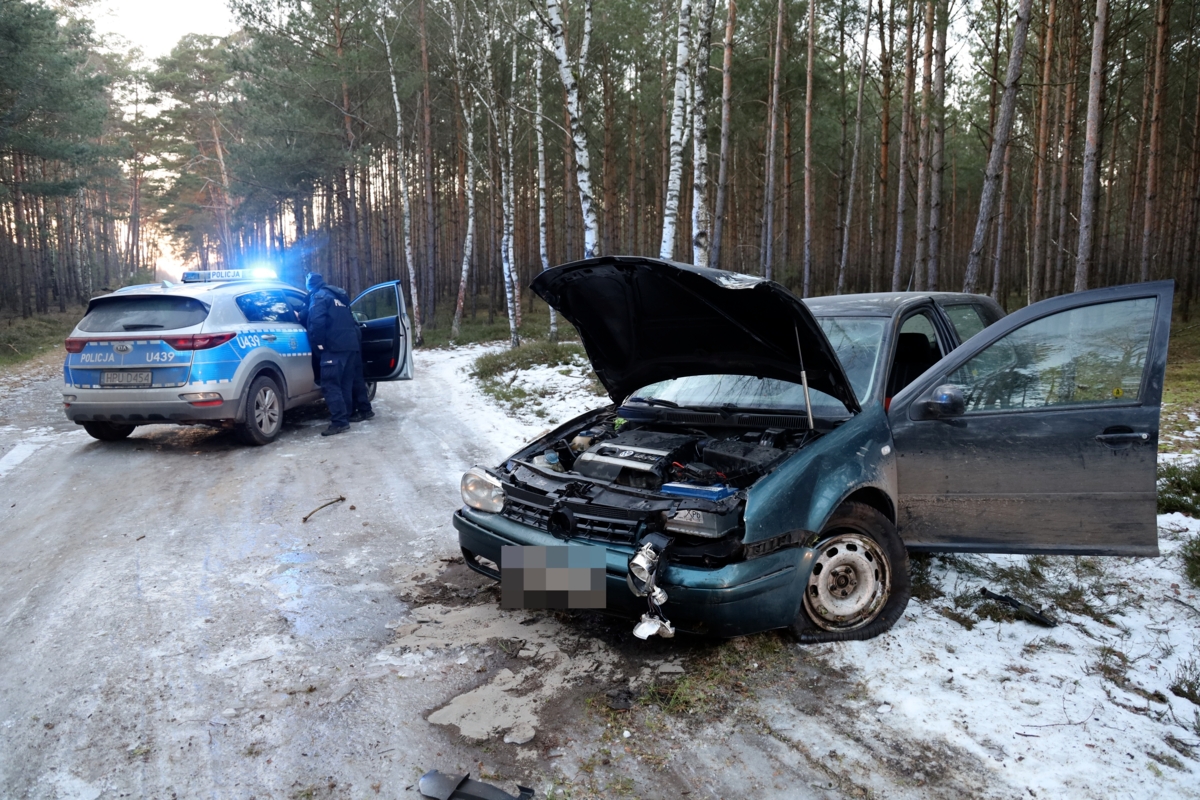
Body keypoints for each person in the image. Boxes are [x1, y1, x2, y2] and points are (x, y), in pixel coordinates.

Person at [305, 273, 359, 436]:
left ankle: (339, 422)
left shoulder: (319, 297)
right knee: (344, 384)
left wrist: (319, 343)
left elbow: (317, 321)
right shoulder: (339, 296)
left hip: (333, 347)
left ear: (310, 285)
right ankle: (346, 416)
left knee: (330, 385)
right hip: (350, 346)